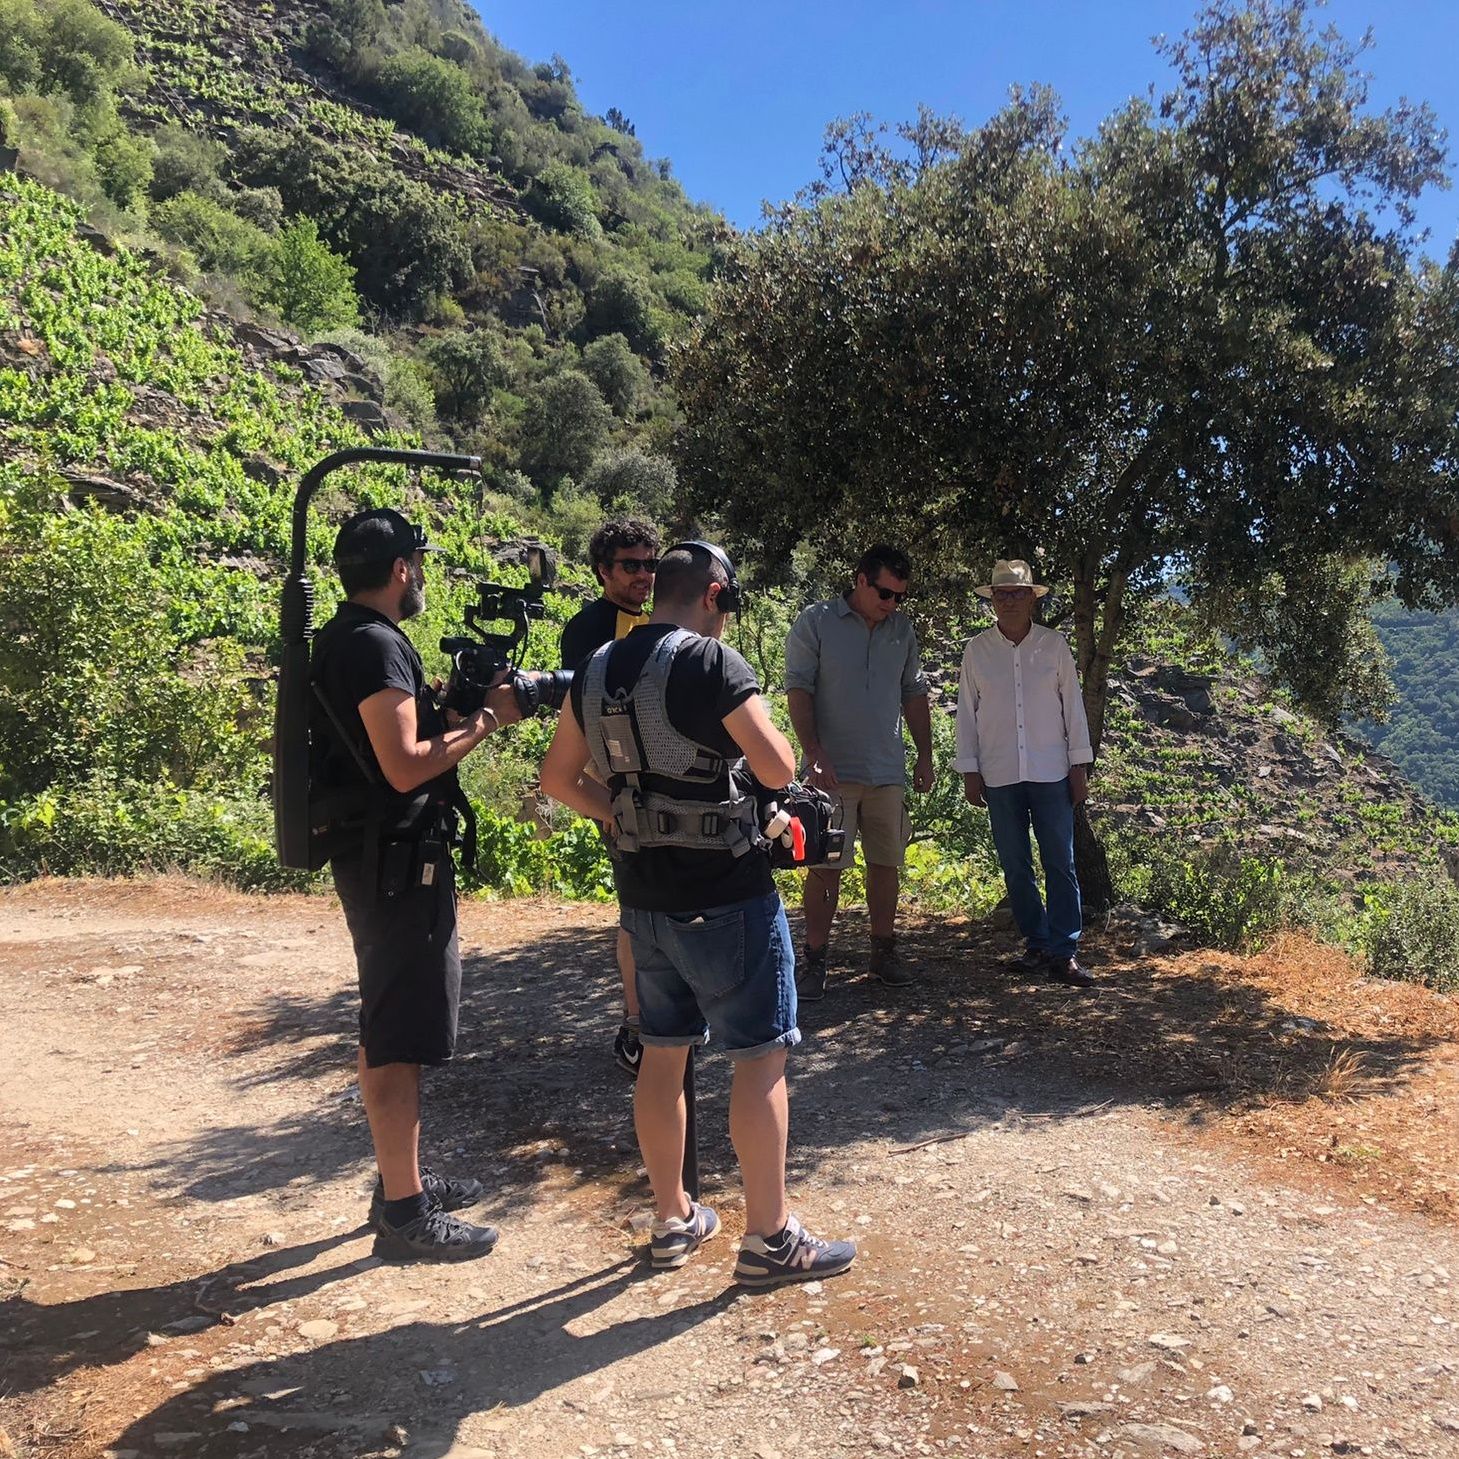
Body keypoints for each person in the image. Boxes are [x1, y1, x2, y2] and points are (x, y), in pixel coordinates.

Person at [541, 542, 857, 1286]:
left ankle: (672, 1216)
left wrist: (619, 819)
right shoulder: (715, 664)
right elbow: (777, 768)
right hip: (728, 895)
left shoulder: (595, 668)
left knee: (662, 1050)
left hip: (642, 898)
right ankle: (770, 1238)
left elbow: (558, 777)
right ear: (713, 595)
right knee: (759, 1056)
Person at [311, 507, 522, 1262]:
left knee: (392, 1018)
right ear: (401, 568)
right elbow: (402, 766)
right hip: (392, 861)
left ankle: (401, 1180)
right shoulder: (372, 645)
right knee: (396, 1027)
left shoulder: (350, 637)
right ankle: (403, 1213)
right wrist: (487, 723)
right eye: (420, 565)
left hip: (384, 856)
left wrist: (450, 710)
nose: (423, 578)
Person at [783, 544, 934, 999]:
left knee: (886, 864)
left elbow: (913, 693)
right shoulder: (817, 621)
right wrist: (815, 753)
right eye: (885, 593)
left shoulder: (901, 629)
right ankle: (814, 959)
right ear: (861, 580)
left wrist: (924, 754)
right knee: (826, 867)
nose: (892, 604)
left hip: (886, 767)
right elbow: (799, 689)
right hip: (832, 772)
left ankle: (884, 952)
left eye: (900, 597)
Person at [953, 558, 1096, 989]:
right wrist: (969, 771)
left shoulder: (1054, 647)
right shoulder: (977, 650)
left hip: (1051, 770)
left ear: (1032, 598)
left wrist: (1079, 765)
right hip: (999, 772)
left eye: (1017, 593)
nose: (1009, 600)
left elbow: (1073, 706)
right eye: (1001, 593)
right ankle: (1036, 943)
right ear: (992, 600)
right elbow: (966, 714)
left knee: (1061, 862)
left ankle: (1064, 950)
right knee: (1015, 864)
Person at [560, 517, 662, 1078]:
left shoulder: (671, 618)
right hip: (615, 778)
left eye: (651, 564)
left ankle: (668, 1017)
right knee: (636, 899)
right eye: (631, 565)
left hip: (673, 775)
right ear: (603, 571)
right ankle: (635, 1020)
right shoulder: (583, 630)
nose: (643, 575)